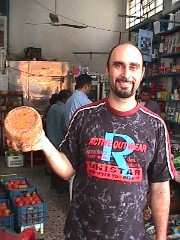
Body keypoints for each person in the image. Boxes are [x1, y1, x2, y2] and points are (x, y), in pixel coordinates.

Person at [7, 43, 177, 240]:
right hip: (82, 233)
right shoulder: (84, 116)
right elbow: (67, 170)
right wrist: (43, 142)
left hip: (130, 235)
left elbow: (160, 187)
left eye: (133, 66)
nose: (126, 74)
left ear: (142, 72)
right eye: (118, 65)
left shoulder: (155, 125)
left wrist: (161, 237)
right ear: (108, 69)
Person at [63, 73, 93, 200]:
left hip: (69, 137)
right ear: (86, 86)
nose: (90, 89)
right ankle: (75, 200)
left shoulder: (71, 99)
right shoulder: (83, 100)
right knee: (78, 173)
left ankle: (72, 199)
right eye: (90, 87)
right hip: (79, 140)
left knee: (72, 172)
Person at [46, 89, 71, 193]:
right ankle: (61, 189)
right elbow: (66, 126)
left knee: (53, 163)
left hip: (51, 139)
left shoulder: (52, 108)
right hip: (60, 140)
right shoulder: (64, 109)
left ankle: (53, 185)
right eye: (69, 97)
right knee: (61, 163)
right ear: (64, 98)